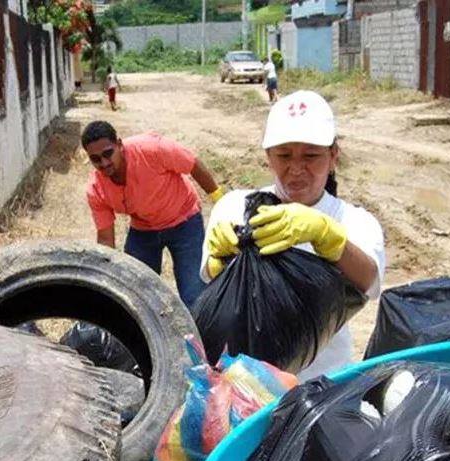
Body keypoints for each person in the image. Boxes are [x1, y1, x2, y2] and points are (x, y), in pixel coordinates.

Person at [201, 90, 386, 381]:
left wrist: (327, 236)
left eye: (311, 156)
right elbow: (215, 285)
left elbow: (370, 282)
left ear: (333, 156)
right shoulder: (235, 207)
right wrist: (219, 260)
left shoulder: (353, 221)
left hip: (321, 383)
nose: (297, 168)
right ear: (268, 157)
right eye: (284, 155)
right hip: (243, 384)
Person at [83, 120, 225, 308]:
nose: (104, 163)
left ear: (119, 144)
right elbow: (106, 240)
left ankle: (200, 336)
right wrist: (103, 279)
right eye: (96, 159)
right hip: (144, 230)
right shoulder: (96, 189)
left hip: (184, 221)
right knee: (134, 294)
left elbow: (192, 164)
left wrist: (220, 201)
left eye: (108, 153)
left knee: (194, 296)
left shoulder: (151, 149)